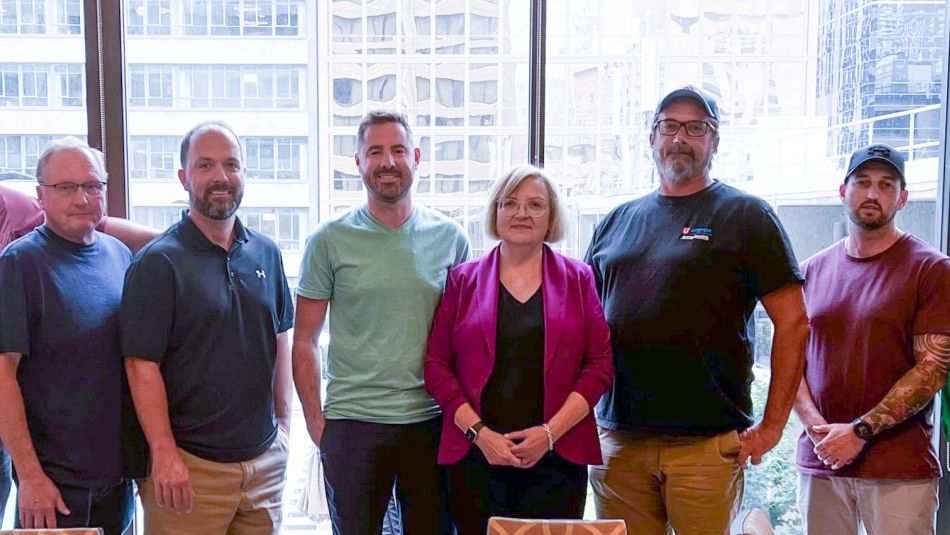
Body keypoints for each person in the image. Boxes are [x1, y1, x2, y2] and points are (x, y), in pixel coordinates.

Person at [585, 85, 810, 534]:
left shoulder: (747, 216)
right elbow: (583, 326)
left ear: (715, 140)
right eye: (668, 126)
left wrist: (772, 427)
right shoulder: (616, 221)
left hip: (706, 446)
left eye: (696, 127)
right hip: (619, 441)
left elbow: (794, 323)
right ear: (652, 138)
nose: (680, 137)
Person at [292, 110, 470, 534]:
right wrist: (318, 424)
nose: (387, 162)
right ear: (358, 162)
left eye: (398, 150)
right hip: (353, 424)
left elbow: (465, 340)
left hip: (429, 422)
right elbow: (304, 340)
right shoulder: (329, 240)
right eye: (375, 151)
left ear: (417, 157)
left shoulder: (451, 238)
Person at [121, 121, 294, 535]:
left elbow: (280, 338)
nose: (221, 177)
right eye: (205, 165)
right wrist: (164, 456)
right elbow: (141, 366)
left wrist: (284, 431)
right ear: (184, 177)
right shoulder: (158, 263)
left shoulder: (266, 252)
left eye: (231, 164)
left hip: (263, 465)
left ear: (244, 173)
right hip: (189, 469)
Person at [424, 165, 614, 534]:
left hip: (557, 458)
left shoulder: (580, 278)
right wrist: (480, 434)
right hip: (476, 458)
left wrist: (548, 434)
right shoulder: (462, 280)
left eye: (535, 204)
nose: (521, 213)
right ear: (495, 213)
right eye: (509, 203)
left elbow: (600, 366)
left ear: (552, 217)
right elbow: (435, 366)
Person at [793, 144, 950, 535]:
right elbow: (790, 363)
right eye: (862, 182)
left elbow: (933, 369)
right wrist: (819, 431)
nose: (872, 194)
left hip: (898, 468)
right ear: (843, 191)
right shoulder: (810, 271)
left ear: (903, 197)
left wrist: (859, 432)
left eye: (886, 184)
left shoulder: (932, 270)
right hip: (822, 462)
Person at [0, 137, 146, 534]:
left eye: (92, 186)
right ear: (41, 196)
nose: (82, 198)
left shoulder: (120, 255)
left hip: (118, 480)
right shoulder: (20, 264)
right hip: (55, 487)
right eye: (66, 188)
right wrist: (29, 477)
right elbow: (2, 377)